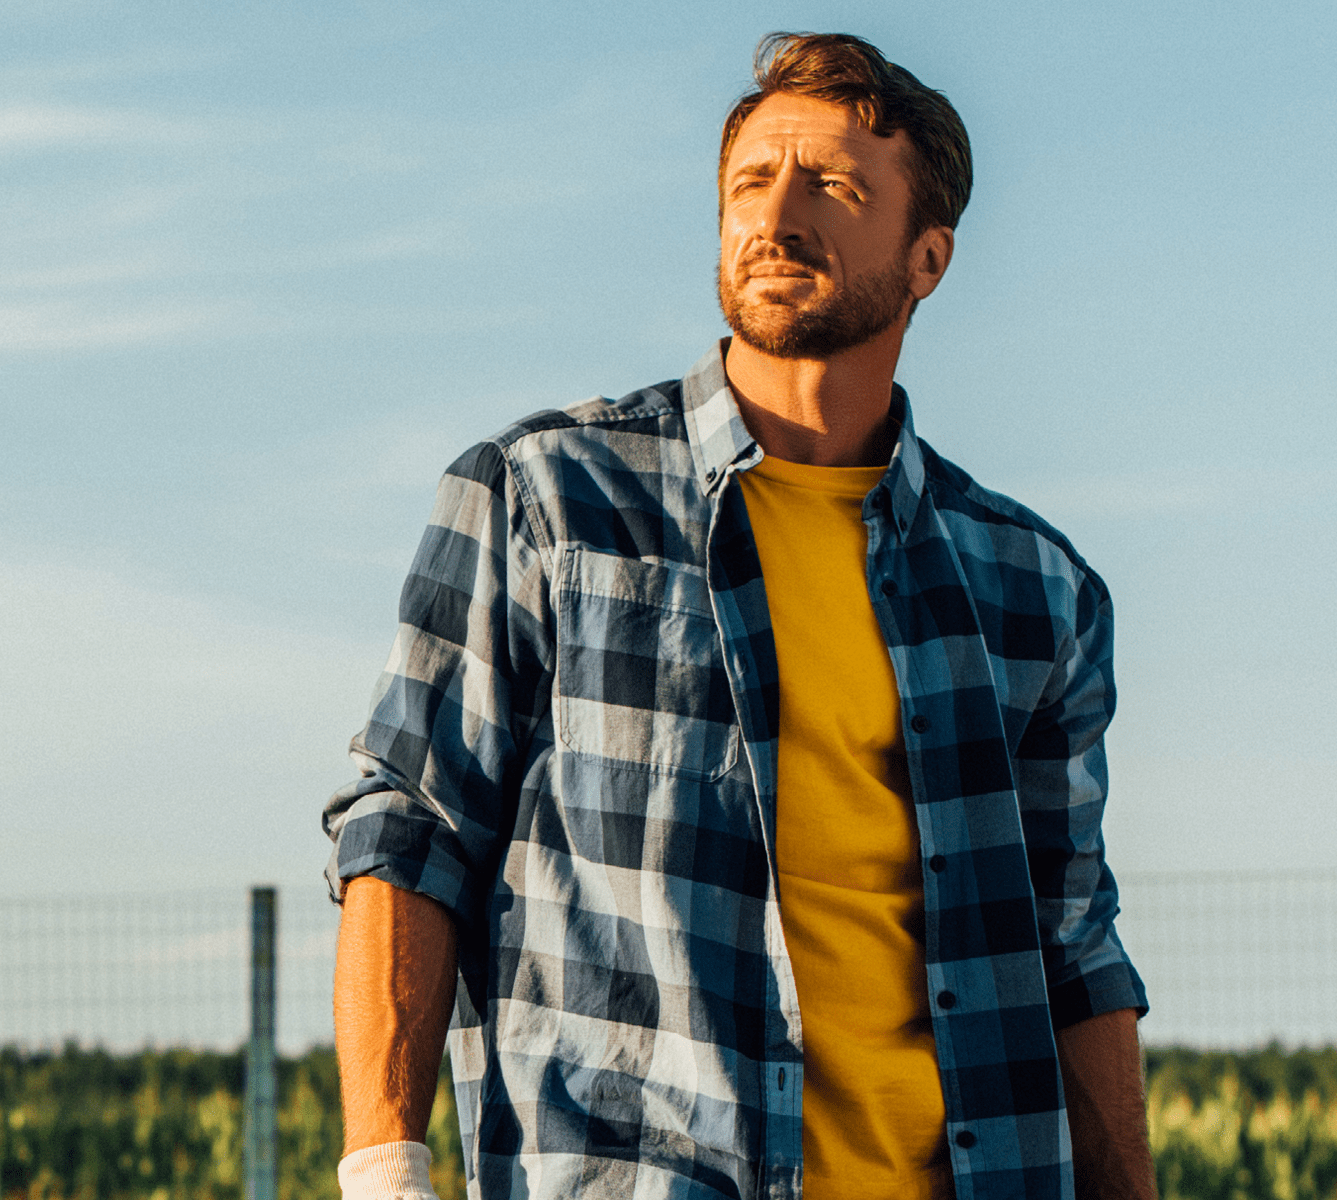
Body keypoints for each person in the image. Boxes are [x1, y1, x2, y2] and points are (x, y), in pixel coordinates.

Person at [323, 31, 1153, 1200]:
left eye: (836, 186)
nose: (778, 213)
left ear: (928, 258)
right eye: (753, 181)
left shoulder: (1033, 589)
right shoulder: (547, 499)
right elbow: (409, 831)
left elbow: (1072, 948)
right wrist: (384, 1168)